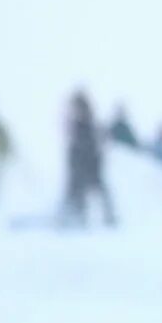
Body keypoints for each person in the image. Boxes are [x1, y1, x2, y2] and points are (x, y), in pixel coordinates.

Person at [60, 89, 116, 228]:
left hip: (90, 169)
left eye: (75, 107)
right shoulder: (78, 126)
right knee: (76, 194)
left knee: (97, 192)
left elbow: (98, 147)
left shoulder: (90, 126)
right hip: (78, 171)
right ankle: (73, 217)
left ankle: (106, 218)